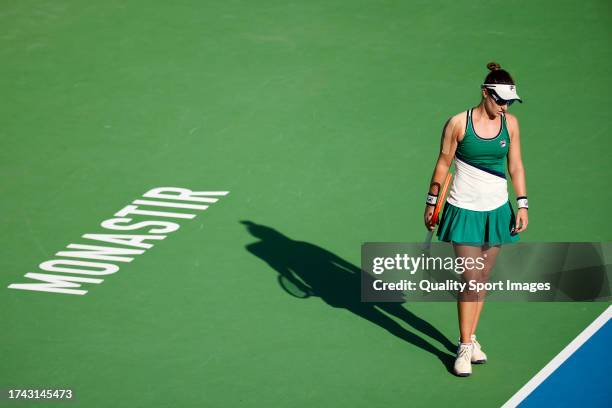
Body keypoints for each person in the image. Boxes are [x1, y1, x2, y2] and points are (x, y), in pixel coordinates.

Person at [423, 62, 529, 377]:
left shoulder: (510, 124)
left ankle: (469, 337)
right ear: (485, 92)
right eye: (499, 100)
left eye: (509, 101)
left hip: (497, 211)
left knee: (481, 280)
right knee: (470, 279)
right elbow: (443, 164)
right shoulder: (458, 123)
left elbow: (517, 166)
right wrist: (431, 202)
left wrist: (521, 204)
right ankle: (465, 347)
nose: (504, 106)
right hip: (463, 210)